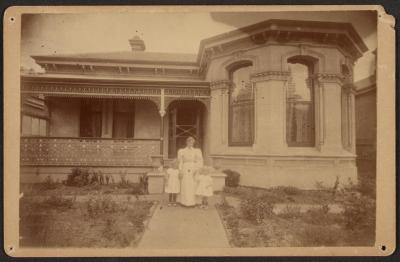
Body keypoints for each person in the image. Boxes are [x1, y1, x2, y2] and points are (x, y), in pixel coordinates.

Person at [177, 136, 203, 207]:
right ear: (186, 142)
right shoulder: (182, 151)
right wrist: (180, 170)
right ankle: (184, 202)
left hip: (193, 168)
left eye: (192, 142)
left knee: (193, 184)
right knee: (185, 184)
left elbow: (199, 161)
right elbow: (180, 162)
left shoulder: (196, 151)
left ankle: (193, 202)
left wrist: (197, 169)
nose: (190, 143)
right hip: (185, 168)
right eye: (189, 142)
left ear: (193, 143)